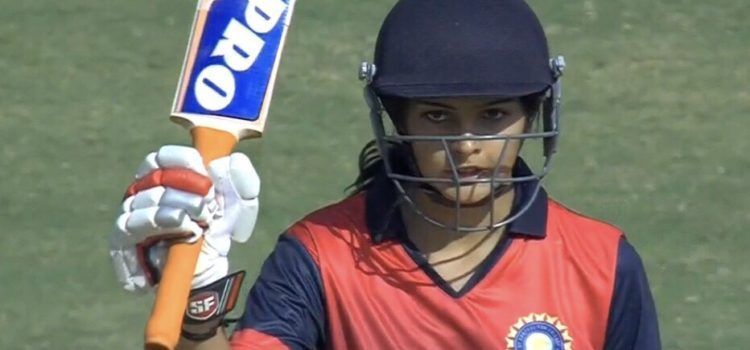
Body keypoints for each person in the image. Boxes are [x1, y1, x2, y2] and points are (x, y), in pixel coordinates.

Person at [109, 0, 661, 349]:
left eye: (493, 115)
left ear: (533, 113)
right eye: (438, 117)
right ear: (397, 119)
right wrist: (200, 303)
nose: (466, 145)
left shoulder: (603, 263)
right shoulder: (319, 258)